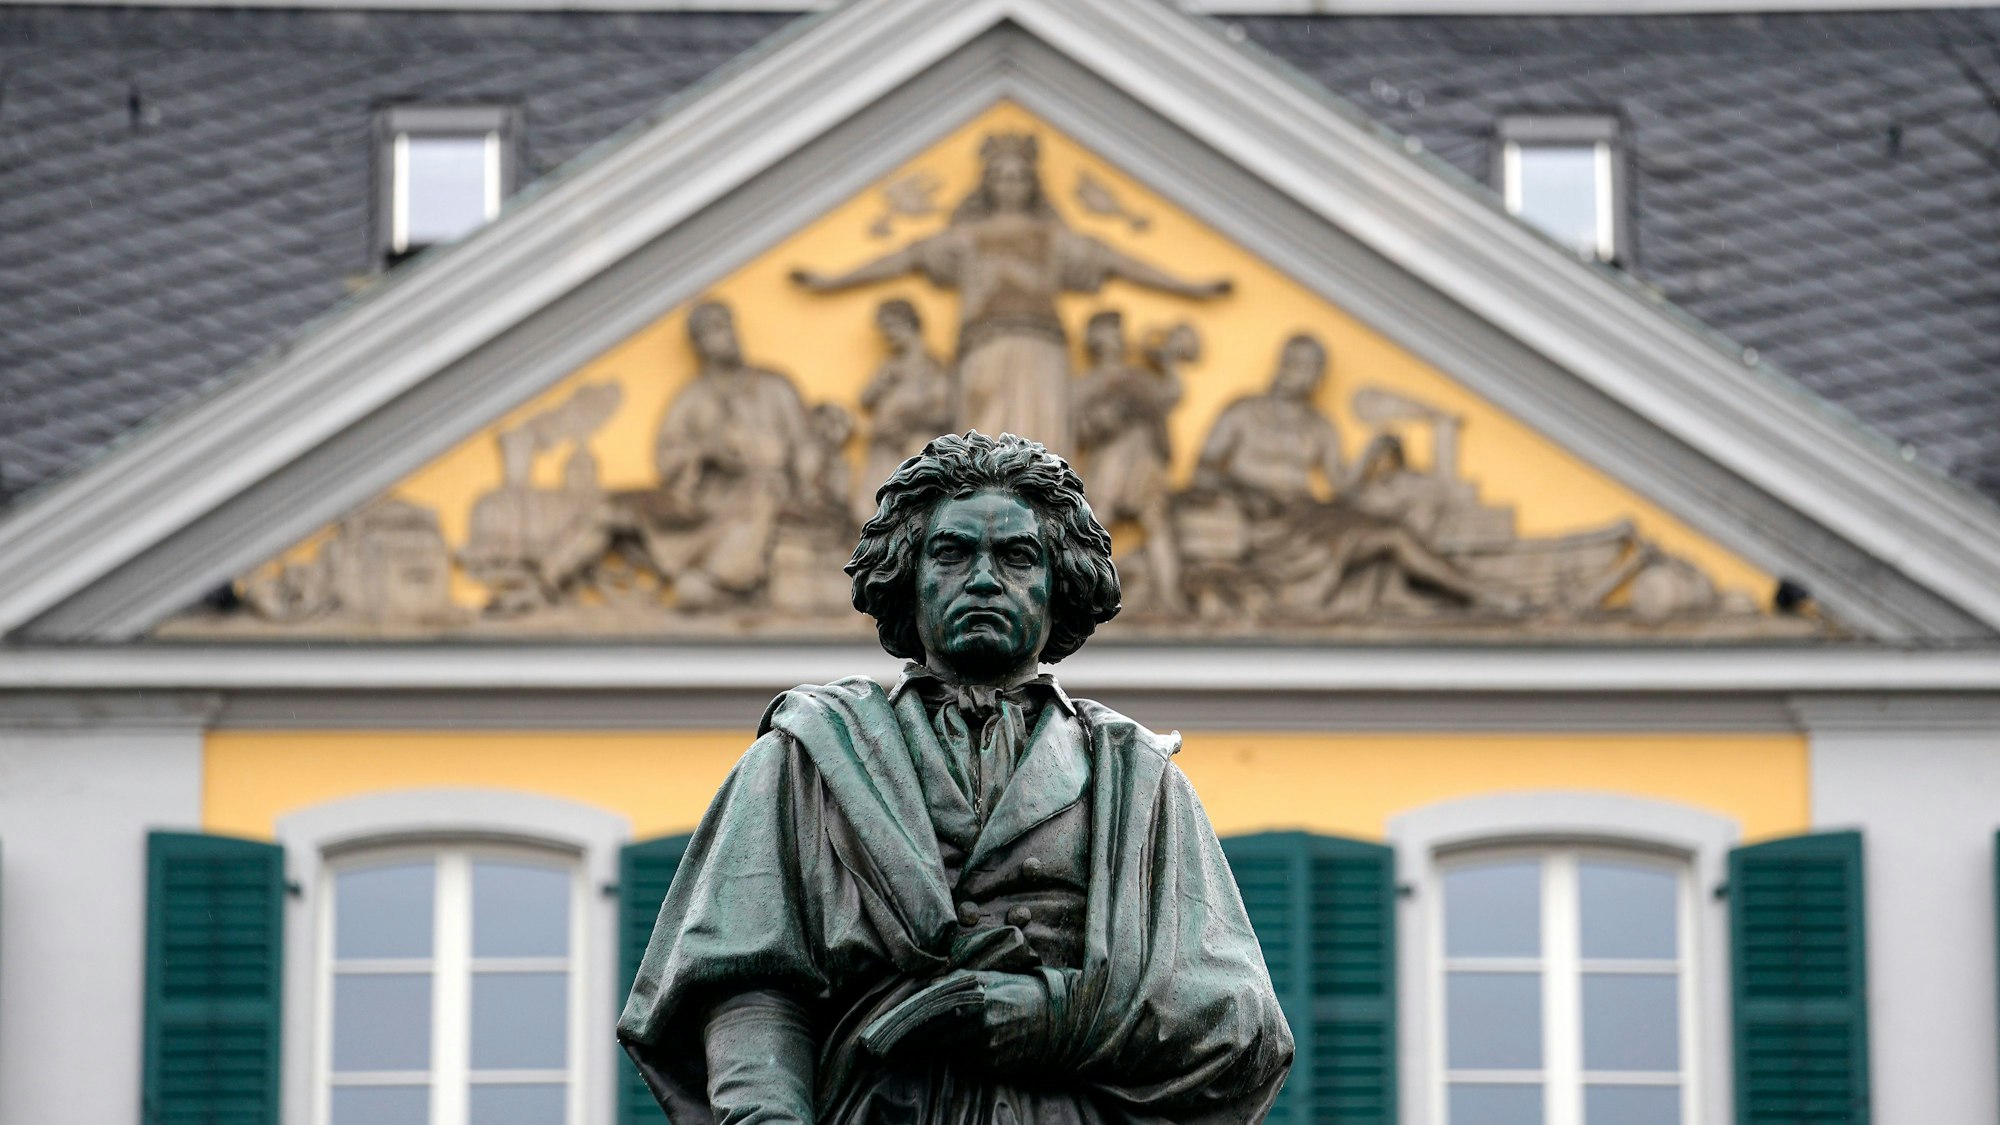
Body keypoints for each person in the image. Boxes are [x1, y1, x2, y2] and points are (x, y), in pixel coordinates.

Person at [619, 431, 1293, 1124]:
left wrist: (1053, 1015)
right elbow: (749, 984)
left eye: (1017, 556)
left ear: (1059, 583)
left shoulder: (1138, 781)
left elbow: (1241, 1027)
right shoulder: (807, 759)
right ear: (907, 576)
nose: (982, 577)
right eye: (951, 552)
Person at [792, 133, 1230, 455]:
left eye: (1019, 177)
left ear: (1031, 184)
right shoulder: (968, 237)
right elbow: (901, 259)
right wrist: (832, 281)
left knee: (1045, 443)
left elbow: (1119, 261)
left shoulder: (1051, 238)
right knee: (980, 441)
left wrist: (1189, 287)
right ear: (987, 183)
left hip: (1041, 348)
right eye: (1001, 176)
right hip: (984, 347)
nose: (1010, 185)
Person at [1194, 333, 1500, 616]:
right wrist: (1248, 492)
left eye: (1313, 366)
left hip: (1307, 515)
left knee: (1393, 533)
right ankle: (1472, 591)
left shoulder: (1319, 424)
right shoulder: (1243, 412)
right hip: (1261, 522)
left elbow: (1339, 485)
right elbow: (1204, 471)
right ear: (1282, 363)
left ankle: (1477, 592)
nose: (1302, 371)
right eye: (1296, 361)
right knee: (1381, 530)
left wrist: (1371, 455)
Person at [637, 300, 816, 609]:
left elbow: (805, 444)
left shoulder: (775, 386)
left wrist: (809, 485)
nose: (729, 334)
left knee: (764, 491)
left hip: (772, 490)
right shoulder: (694, 398)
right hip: (717, 497)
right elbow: (667, 457)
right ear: (700, 344)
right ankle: (719, 575)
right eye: (717, 329)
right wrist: (706, 451)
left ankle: (725, 577)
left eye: (728, 325)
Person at [1072, 311, 1192, 614]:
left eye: (1117, 332)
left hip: (1142, 458)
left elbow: (1169, 394)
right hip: (1109, 461)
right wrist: (1103, 420)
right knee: (1097, 525)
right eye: (1108, 332)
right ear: (1094, 341)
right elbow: (1077, 427)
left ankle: (1170, 599)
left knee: (1155, 524)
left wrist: (1167, 362)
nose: (1116, 338)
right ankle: (1079, 598)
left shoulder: (1137, 378)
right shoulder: (1086, 384)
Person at [853, 298, 953, 525]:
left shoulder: (932, 367)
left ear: (908, 323)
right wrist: (885, 380)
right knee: (867, 506)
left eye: (891, 326)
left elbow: (943, 413)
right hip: (882, 444)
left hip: (913, 444)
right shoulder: (890, 367)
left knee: (914, 503)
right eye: (885, 329)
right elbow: (865, 398)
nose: (888, 335)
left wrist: (908, 422)